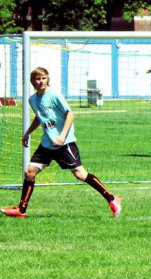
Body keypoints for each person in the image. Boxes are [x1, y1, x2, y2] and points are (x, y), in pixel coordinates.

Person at [1, 67, 122, 219]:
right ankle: (21, 210)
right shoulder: (32, 99)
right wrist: (28, 133)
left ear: (48, 79)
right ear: (32, 82)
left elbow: (70, 115)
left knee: (80, 174)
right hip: (47, 144)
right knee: (29, 172)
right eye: (37, 79)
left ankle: (112, 199)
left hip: (64, 144)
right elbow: (40, 117)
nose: (41, 82)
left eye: (43, 78)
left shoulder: (54, 95)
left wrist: (62, 136)